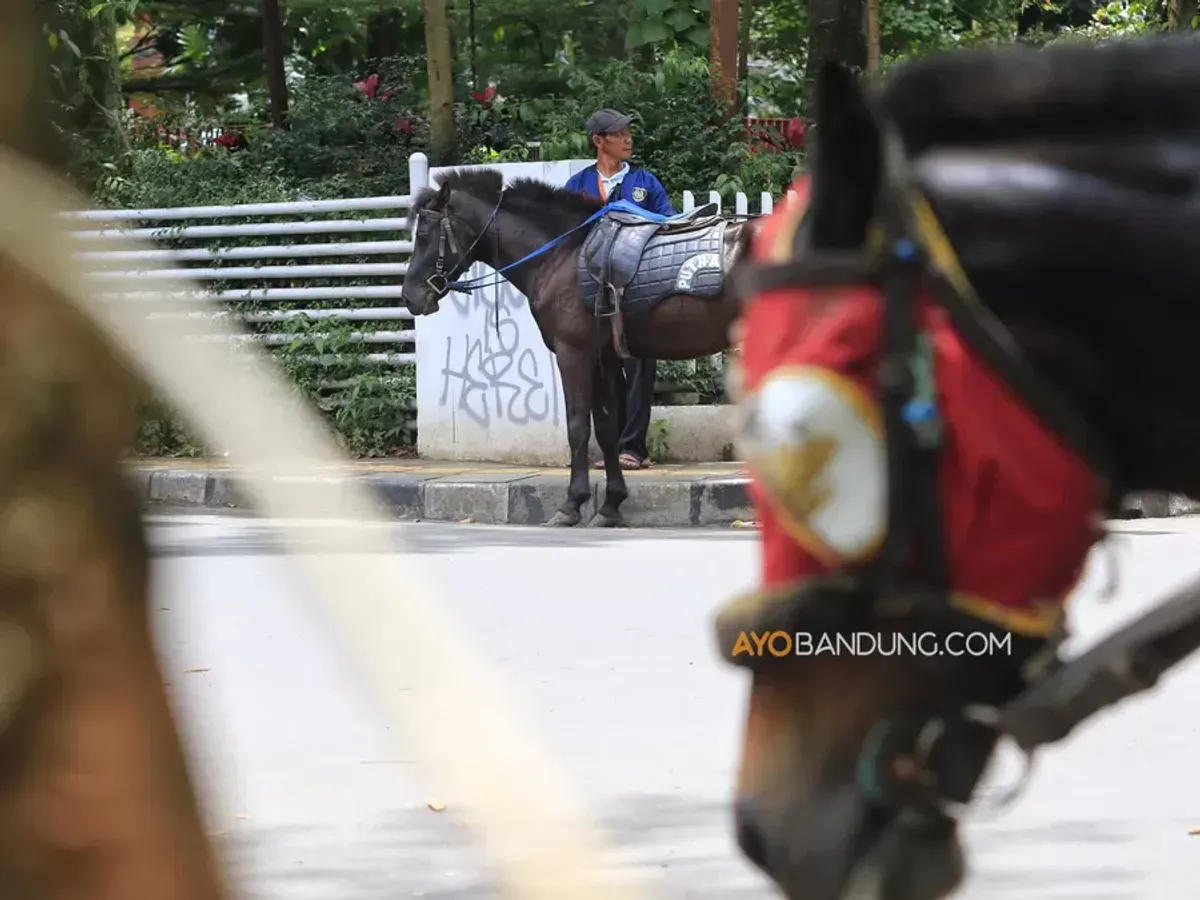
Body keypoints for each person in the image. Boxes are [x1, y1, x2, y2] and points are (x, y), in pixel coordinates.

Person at [564, 108, 677, 470]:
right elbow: (564, 237)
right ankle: (612, 449)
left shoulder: (645, 181)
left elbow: (670, 224)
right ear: (599, 141)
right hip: (593, 294)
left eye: (629, 132)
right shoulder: (578, 185)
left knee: (639, 368)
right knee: (603, 372)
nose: (628, 138)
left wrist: (640, 217)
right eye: (619, 133)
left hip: (639, 290)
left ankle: (634, 449)